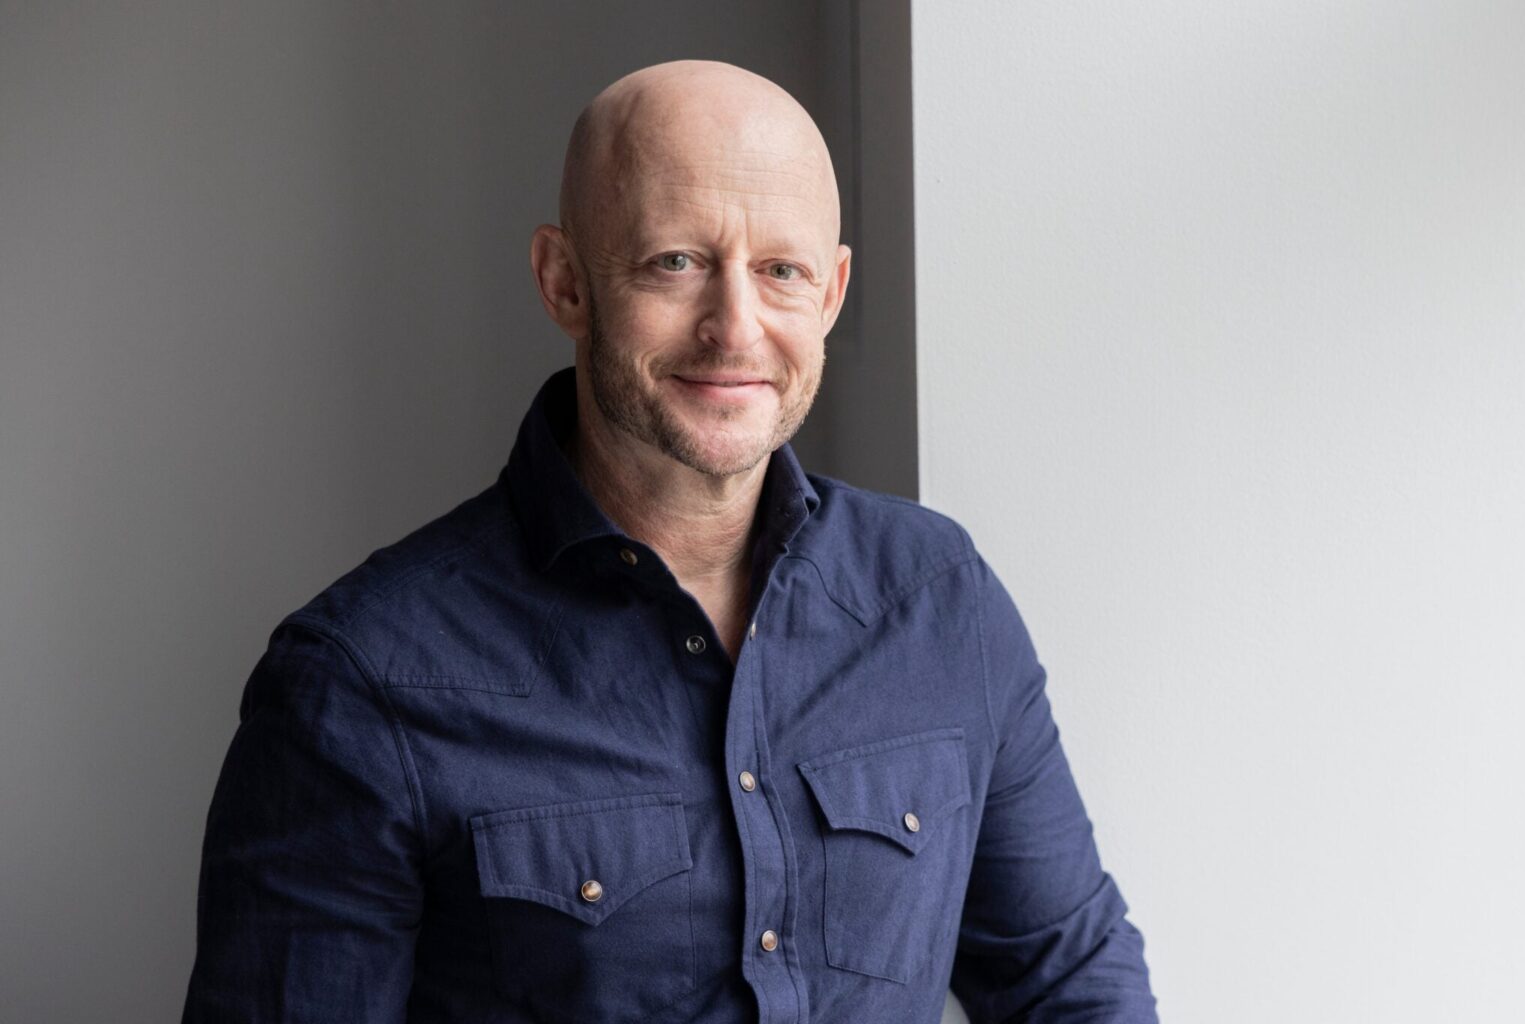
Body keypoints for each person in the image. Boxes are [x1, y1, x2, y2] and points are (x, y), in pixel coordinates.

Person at [181, 60, 1158, 1023]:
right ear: (565, 281)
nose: (734, 328)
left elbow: (1070, 985)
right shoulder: (359, 680)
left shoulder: (941, 600)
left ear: (832, 292)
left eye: (781, 270)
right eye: (676, 262)